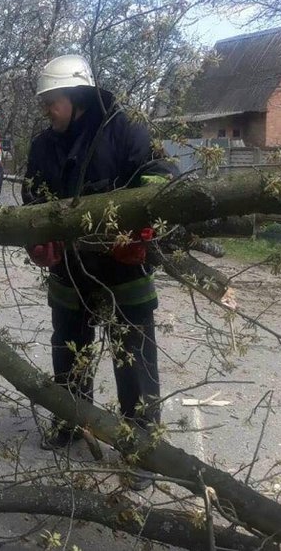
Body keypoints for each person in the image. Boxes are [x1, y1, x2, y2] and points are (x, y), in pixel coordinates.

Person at [21, 55, 176, 489]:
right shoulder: (43, 145)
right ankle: (72, 420)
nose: (47, 110)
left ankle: (141, 447)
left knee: (135, 359)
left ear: (78, 97)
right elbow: (32, 201)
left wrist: (142, 233)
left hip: (124, 267)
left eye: (52, 101)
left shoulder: (125, 130)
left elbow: (161, 178)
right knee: (68, 348)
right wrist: (37, 241)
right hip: (70, 270)